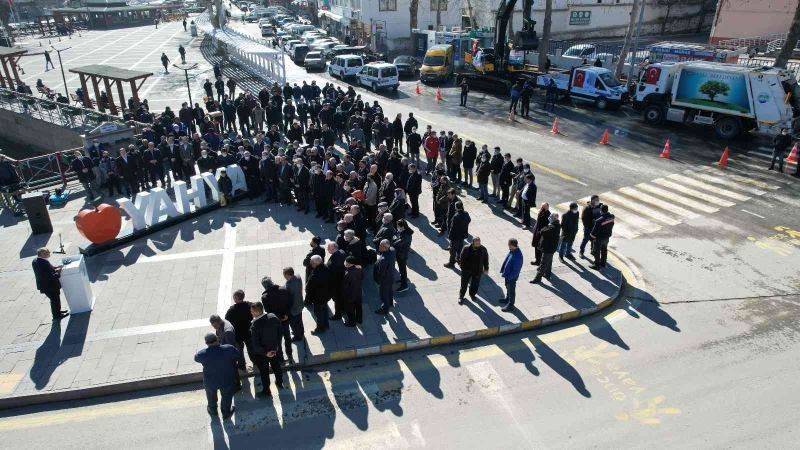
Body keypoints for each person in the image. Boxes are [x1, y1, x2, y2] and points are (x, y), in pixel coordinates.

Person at [194, 333, 240, 419]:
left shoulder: (202, 354)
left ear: (206, 343)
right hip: (226, 379)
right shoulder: (229, 348)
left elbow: (196, 358)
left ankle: (213, 410)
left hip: (210, 380)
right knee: (226, 396)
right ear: (218, 339)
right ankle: (226, 413)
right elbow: (237, 355)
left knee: (211, 396)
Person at [248, 301, 284, 397]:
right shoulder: (273, 317)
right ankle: (279, 382)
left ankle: (267, 391)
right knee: (276, 367)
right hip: (275, 350)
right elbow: (280, 332)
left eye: (252, 311)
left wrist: (265, 353)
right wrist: (277, 345)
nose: (251, 313)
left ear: (256, 312)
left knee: (264, 372)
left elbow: (255, 345)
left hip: (262, 354)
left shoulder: (255, 326)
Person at [260, 277, 293, 363]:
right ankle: (290, 355)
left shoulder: (265, 297)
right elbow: (289, 303)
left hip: (276, 322)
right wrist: (286, 315)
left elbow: (268, 311)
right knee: (287, 338)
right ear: (272, 282)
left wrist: (279, 318)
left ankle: (281, 359)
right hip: (285, 319)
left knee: (278, 341)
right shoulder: (283, 289)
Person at [32, 248, 68, 320]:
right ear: (42, 254)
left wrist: (56, 267)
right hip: (49, 286)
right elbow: (50, 276)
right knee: (55, 300)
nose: (49, 254)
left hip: (45, 286)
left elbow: (48, 268)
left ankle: (58, 311)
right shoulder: (43, 263)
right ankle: (57, 316)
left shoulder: (36, 260)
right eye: (47, 252)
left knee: (55, 300)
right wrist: (58, 272)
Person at [224, 289, 251, 371]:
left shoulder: (232, 310)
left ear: (237, 298)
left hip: (237, 334)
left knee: (239, 351)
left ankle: (242, 365)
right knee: (251, 348)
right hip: (248, 331)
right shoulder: (249, 305)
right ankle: (255, 362)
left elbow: (226, 321)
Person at [458, 236, 489, 305]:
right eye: (477, 243)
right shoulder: (466, 248)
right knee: (464, 284)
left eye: (479, 243)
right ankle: (461, 296)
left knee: (475, 284)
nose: (478, 244)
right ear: (473, 243)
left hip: (477, 270)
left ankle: (472, 294)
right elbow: (461, 258)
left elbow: (486, 259)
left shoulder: (483, 249)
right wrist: (463, 268)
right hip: (467, 270)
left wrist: (486, 268)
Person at [532, 212, 561, 284]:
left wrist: (547, 226)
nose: (549, 218)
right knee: (549, 261)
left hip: (548, 248)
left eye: (551, 217)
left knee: (543, 264)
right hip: (551, 248)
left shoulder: (553, 226)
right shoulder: (555, 225)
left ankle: (537, 278)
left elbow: (542, 231)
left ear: (554, 218)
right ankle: (547, 274)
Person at [306, 254, 331, 333]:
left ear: (316, 263)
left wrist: (309, 295)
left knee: (318, 313)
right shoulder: (326, 267)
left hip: (318, 298)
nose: (310, 263)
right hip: (325, 296)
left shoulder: (316, 274)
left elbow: (311, 288)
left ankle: (320, 328)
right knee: (325, 310)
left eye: (311, 262)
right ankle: (326, 324)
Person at [499, 238, 523, 312]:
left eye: (509, 245)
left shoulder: (518, 255)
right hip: (508, 275)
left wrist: (510, 277)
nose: (508, 246)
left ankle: (511, 305)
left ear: (512, 245)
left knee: (511, 290)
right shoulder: (512, 251)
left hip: (511, 277)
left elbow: (516, 269)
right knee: (507, 287)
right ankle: (507, 299)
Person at [325, 242, 347, 322]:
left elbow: (334, 273)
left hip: (336, 283)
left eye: (329, 248)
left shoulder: (336, 259)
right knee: (341, 298)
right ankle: (343, 309)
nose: (327, 249)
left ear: (334, 248)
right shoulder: (342, 252)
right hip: (341, 281)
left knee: (337, 299)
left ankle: (338, 315)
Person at [374, 239, 397, 315]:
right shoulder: (392, 249)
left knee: (384, 295)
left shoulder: (383, 260)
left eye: (381, 245)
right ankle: (390, 302)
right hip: (391, 276)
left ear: (385, 247)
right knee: (390, 290)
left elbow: (381, 273)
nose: (379, 246)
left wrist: (378, 280)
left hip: (384, 280)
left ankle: (385, 309)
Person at [445, 201, 470, 268]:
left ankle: (451, 263)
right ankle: (460, 261)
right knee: (460, 250)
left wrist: (450, 237)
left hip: (455, 237)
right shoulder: (466, 213)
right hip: (462, 236)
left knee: (452, 251)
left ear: (456, 207)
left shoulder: (456, 216)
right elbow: (469, 220)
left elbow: (452, 228)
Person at [282, 267, 304, 342]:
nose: (284, 276)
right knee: (299, 321)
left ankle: (297, 336)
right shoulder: (298, 276)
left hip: (293, 308)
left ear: (288, 275)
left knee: (294, 324)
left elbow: (287, 298)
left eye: (284, 275)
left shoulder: (288, 286)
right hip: (300, 304)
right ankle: (301, 332)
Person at [590, 205, 615, 269]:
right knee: (604, 250)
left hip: (599, 238)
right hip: (607, 238)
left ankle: (597, 265)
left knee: (597, 251)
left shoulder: (599, 221)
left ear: (601, 211)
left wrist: (591, 237)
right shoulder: (611, 217)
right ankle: (603, 263)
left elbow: (594, 232)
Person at [341, 256, 363, 326]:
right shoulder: (359, 268)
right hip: (358, 292)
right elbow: (362, 277)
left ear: (349, 263)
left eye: (346, 262)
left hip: (350, 295)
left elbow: (345, 286)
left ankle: (352, 322)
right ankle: (359, 319)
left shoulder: (347, 273)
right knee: (358, 306)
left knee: (350, 309)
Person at [392, 218, 413, 292]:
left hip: (402, 255)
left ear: (403, 227)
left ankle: (404, 285)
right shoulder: (403, 231)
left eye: (398, 227)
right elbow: (396, 236)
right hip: (400, 254)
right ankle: (403, 279)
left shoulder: (406, 235)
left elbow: (396, 243)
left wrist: (394, 239)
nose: (397, 228)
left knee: (402, 269)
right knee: (402, 269)